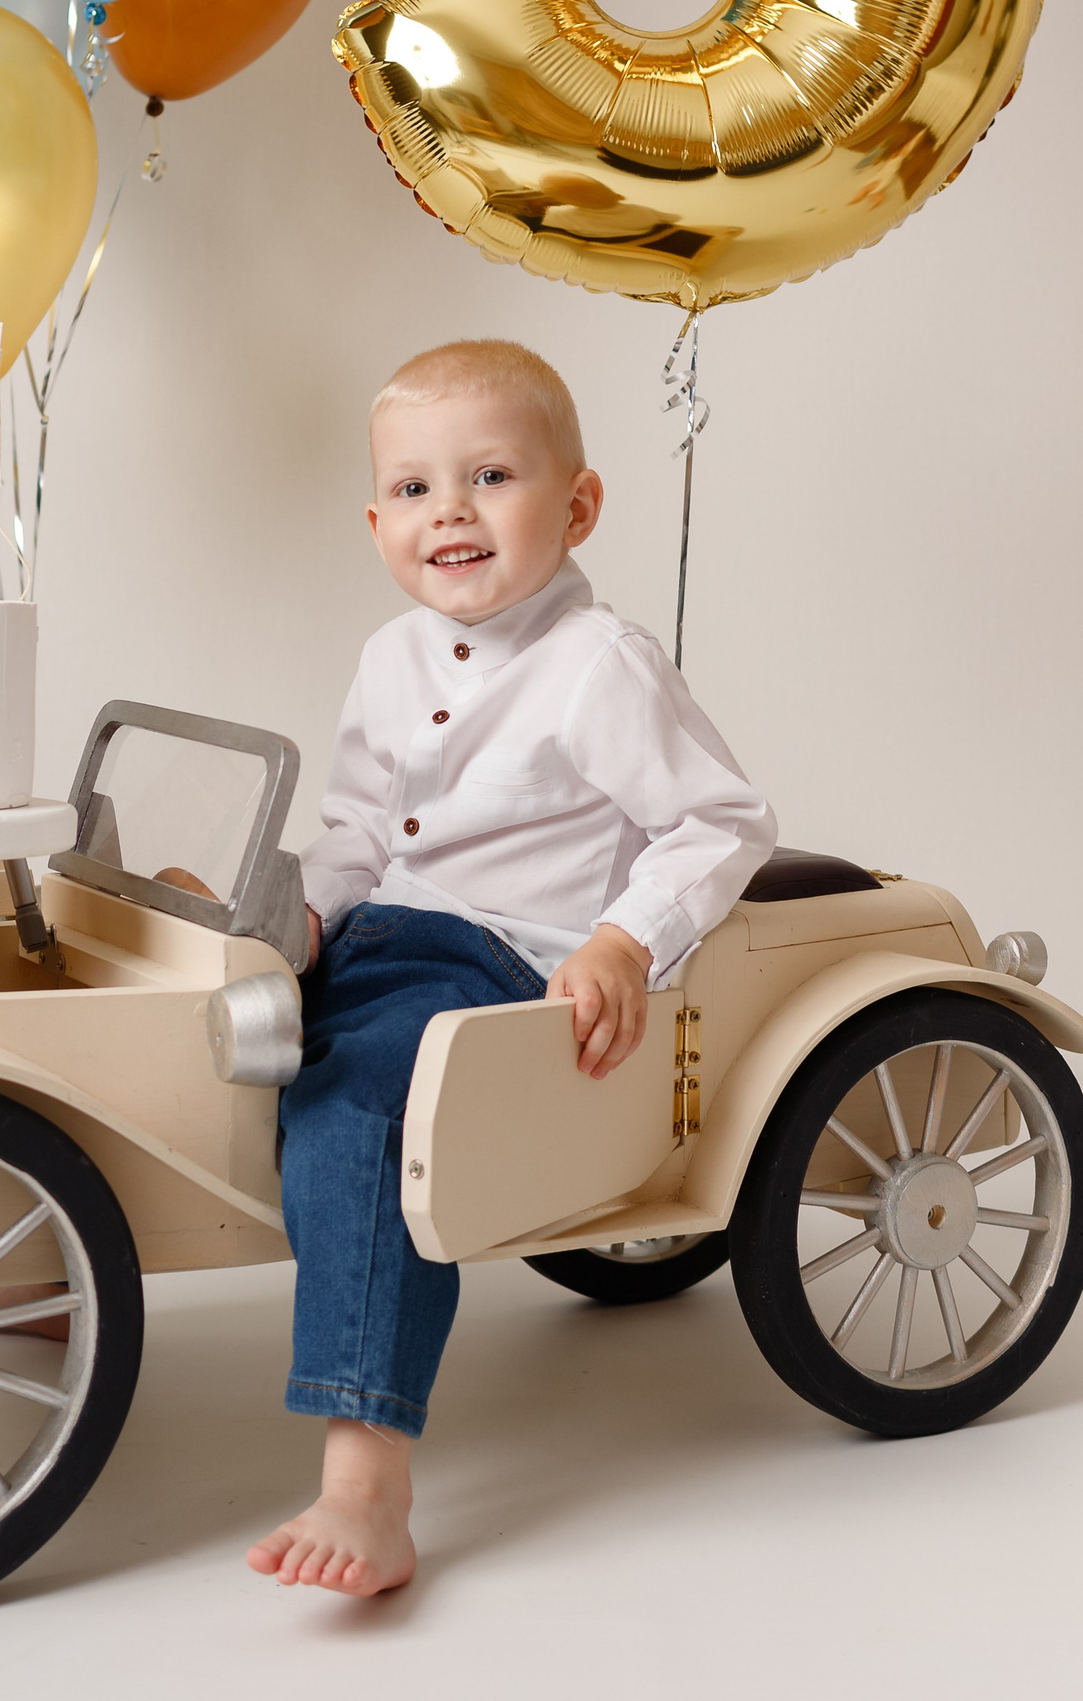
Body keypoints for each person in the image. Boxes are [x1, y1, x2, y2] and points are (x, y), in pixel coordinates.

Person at [248, 338, 776, 1597]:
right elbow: (359, 832)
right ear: (377, 524)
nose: (452, 513)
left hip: (490, 965)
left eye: (491, 477)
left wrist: (623, 940)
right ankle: (50, 1279)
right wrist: (297, 915)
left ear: (577, 505)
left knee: (360, 1110)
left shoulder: (598, 665)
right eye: (416, 489)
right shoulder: (390, 655)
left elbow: (721, 822)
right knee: (195, 1025)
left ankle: (366, 1479)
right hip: (375, 939)